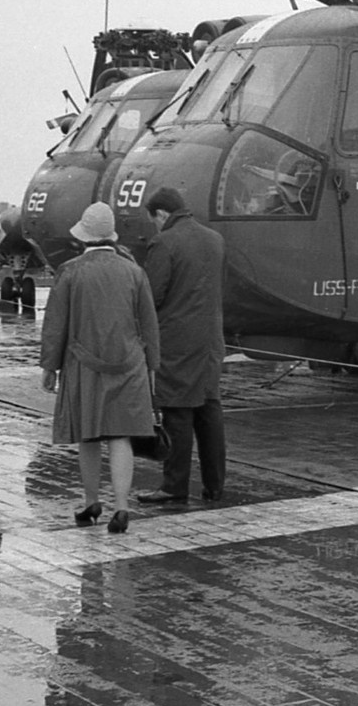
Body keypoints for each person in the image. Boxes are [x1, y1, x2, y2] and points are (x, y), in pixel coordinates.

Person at [41, 202, 160, 534]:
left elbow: (55, 325)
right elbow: (150, 324)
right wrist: (152, 365)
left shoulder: (69, 271)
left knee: (88, 435)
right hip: (129, 363)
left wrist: (49, 366)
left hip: (84, 365)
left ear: (84, 237)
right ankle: (122, 506)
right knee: (121, 435)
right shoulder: (134, 271)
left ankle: (91, 501)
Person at [138, 187, 227, 505]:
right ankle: (215, 485)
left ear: (161, 214)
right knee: (209, 409)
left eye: (154, 222)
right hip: (211, 340)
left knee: (177, 412)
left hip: (176, 342)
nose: (155, 228)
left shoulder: (165, 242)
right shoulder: (214, 239)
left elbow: (152, 296)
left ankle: (174, 486)